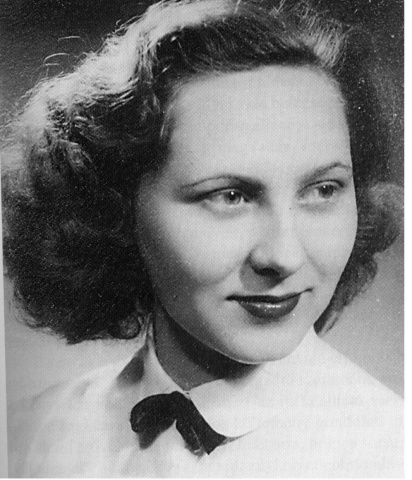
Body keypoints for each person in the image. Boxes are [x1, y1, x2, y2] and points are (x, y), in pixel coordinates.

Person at [2, 0, 403, 476]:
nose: (284, 256)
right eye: (230, 196)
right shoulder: (28, 440)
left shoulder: (393, 452)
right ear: (118, 207)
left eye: (323, 190)